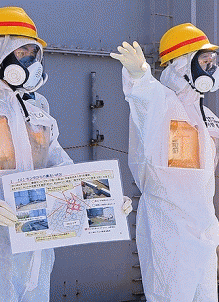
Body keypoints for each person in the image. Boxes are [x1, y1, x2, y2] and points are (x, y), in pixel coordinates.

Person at [0, 7, 133, 301]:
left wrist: (105, 198)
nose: (31, 62)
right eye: (22, 52)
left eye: (35, 54)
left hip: (36, 246)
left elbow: (63, 171)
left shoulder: (38, 112)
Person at [110, 23, 219, 301]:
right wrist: (139, 74)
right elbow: (143, 96)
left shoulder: (207, 117)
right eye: (204, 61)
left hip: (205, 228)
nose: (211, 69)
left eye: (213, 62)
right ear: (181, 65)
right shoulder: (162, 103)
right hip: (168, 229)